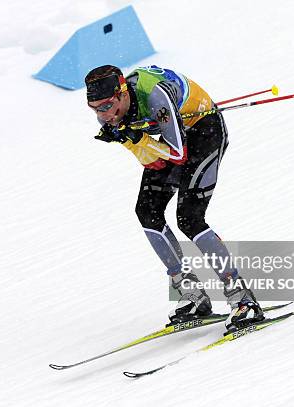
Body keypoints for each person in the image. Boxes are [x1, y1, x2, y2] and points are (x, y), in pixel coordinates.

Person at [85, 64, 263, 331]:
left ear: (122, 93)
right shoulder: (109, 112)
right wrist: (131, 140)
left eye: (107, 106)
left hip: (204, 131)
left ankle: (243, 299)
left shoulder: (156, 95)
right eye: (95, 109)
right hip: (172, 137)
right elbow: (152, 161)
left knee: (190, 218)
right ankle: (192, 293)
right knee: (148, 212)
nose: (103, 115)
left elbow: (178, 154)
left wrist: (137, 137)